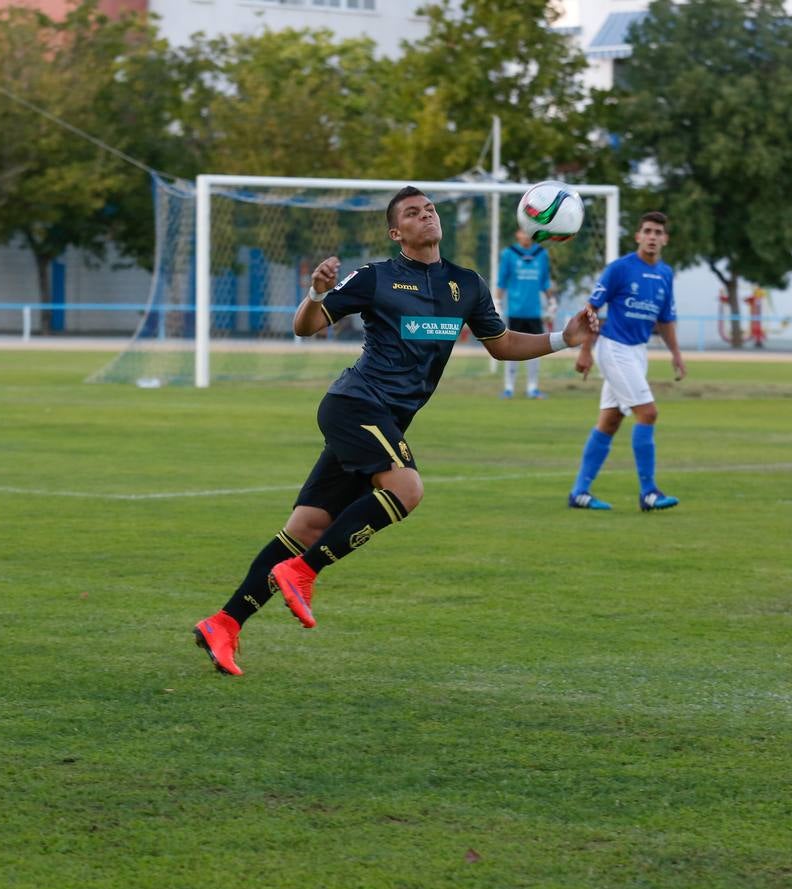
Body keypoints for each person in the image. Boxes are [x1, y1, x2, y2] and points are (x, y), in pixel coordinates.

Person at [192, 186, 598, 676]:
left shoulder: (466, 285)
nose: (425, 215)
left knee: (306, 528)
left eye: (429, 209)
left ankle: (225, 623)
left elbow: (503, 343)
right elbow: (308, 325)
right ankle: (303, 572)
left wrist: (564, 338)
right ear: (396, 232)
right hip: (354, 404)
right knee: (407, 488)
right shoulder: (378, 277)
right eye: (412, 212)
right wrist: (316, 292)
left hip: (383, 420)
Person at [568, 211, 687, 512]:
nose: (652, 236)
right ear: (637, 236)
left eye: (658, 232)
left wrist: (676, 354)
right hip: (614, 348)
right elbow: (590, 309)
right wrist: (585, 351)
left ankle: (580, 493)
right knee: (648, 413)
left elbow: (666, 319)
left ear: (665, 239)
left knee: (610, 421)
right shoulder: (620, 269)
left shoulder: (665, 274)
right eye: (647, 230)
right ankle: (649, 493)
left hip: (637, 352)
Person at [496, 228, 557, 399]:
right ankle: (508, 388)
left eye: (529, 233)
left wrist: (552, 301)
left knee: (535, 350)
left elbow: (545, 281)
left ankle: (532, 388)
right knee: (511, 349)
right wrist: (497, 302)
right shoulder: (509, 254)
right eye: (523, 232)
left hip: (534, 311)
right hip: (515, 310)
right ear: (518, 234)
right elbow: (502, 281)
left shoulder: (541, 254)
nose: (526, 236)